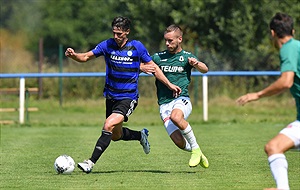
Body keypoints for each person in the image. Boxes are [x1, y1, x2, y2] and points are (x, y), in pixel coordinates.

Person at [65, 16, 181, 173]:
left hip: (128, 97)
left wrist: (169, 84)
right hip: (111, 97)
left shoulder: (137, 47)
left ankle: (90, 162)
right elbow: (85, 56)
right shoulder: (107, 45)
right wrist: (74, 56)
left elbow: (153, 68)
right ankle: (140, 136)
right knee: (114, 135)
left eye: (119, 33)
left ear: (127, 32)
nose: (116, 36)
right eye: (114, 33)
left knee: (108, 125)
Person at [236, 12, 300, 190]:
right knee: (273, 147)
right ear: (293, 30)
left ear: (272, 33)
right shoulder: (297, 46)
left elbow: (286, 81)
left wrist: (257, 94)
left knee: (273, 147)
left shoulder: (288, 47)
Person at [141, 24, 209, 168]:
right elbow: (141, 65)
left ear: (180, 39)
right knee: (179, 142)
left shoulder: (186, 57)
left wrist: (196, 64)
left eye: (170, 40)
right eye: (166, 40)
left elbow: (205, 69)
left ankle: (195, 148)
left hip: (181, 99)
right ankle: (198, 152)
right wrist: (141, 67)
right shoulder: (159, 57)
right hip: (164, 105)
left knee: (176, 117)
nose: (167, 43)